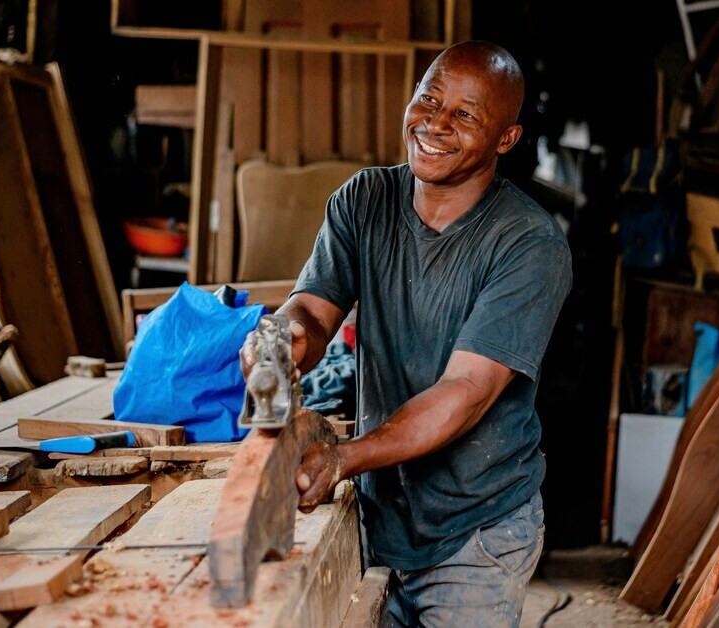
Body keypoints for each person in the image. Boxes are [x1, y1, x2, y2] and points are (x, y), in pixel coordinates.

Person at [242, 40, 573, 626]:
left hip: (476, 529)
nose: (435, 124)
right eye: (429, 98)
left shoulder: (529, 243)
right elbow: (313, 313)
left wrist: (342, 458)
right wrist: (283, 343)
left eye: (465, 115)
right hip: (381, 513)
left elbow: (465, 394)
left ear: (506, 139)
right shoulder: (365, 199)